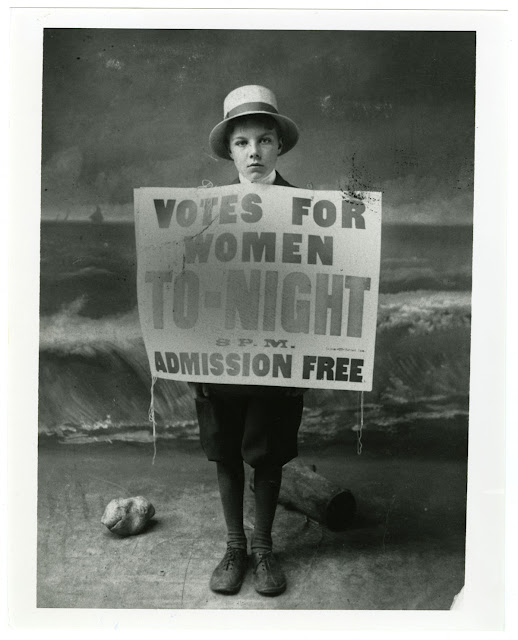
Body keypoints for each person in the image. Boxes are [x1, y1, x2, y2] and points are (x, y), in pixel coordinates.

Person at [189, 85, 304, 597]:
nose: (254, 151)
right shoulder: (204, 212)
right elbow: (188, 287)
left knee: (268, 450)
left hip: (278, 356)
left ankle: (263, 548)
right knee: (225, 448)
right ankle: (235, 546)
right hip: (220, 354)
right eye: (242, 142)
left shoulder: (311, 212)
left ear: (279, 146)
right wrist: (188, 355)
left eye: (264, 140)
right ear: (230, 151)